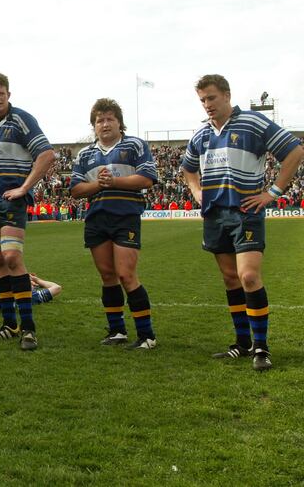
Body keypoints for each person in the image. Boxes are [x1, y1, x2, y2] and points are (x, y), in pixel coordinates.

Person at [181, 74, 304, 372]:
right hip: (214, 214)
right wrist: (198, 193)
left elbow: (295, 150)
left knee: (248, 276)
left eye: (211, 97)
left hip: (246, 211)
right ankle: (242, 342)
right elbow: (188, 169)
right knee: (230, 280)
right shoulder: (200, 135)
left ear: (226, 95)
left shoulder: (253, 123)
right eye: (202, 100)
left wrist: (272, 192)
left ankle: (261, 346)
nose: (207, 104)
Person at [0, 72, 55, 351]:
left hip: (10, 199)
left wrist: (23, 188)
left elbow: (47, 155)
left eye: (0, 93)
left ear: (8, 94)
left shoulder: (21, 119)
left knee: (11, 257)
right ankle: (9, 325)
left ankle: (29, 328)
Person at [70, 98, 158, 350]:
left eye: (110, 119)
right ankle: (117, 330)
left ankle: (147, 335)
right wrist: (99, 184)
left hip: (125, 215)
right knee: (107, 275)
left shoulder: (135, 145)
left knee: (126, 274)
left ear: (120, 123)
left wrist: (114, 183)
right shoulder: (85, 154)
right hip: (97, 218)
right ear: (93, 126)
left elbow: (147, 179)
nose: (105, 124)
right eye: (100, 120)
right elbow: (75, 189)